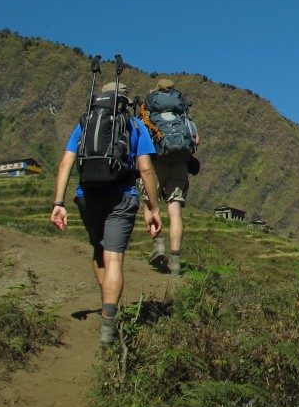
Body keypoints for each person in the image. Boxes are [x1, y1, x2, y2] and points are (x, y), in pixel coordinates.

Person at [50, 81, 163, 346]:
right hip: (122, 196)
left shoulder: (86, 123)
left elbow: (66, 161)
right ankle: (109, 323)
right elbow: (145, 169)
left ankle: (105, 304)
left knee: (98, 251)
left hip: (86, 195)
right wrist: (153, 208)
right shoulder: (135, 126)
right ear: (126, 101)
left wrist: (59, 202)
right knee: (114, 258)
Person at [140, 77, 201, 276]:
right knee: (175, 212)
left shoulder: (149, 112)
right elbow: (196, 140)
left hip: (156, 166)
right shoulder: (182, 114)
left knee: (149, 204)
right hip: (180, 167)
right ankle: (175, 261)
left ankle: (158, 245)